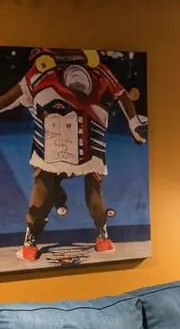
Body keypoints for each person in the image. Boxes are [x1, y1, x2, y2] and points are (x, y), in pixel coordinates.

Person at [0, 48, 147, 261]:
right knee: (42, 198)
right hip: (52, 152)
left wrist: (135, 123)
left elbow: (120, 94)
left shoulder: (96, 73)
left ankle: (99, 237)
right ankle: (34, 241)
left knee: (84, 195)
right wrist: (134, 123)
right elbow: (121, 95)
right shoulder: (38, 76)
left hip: (82, 150)